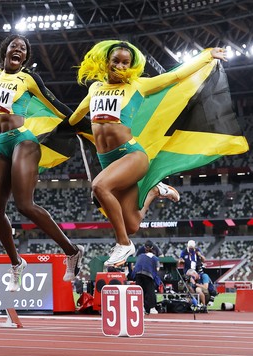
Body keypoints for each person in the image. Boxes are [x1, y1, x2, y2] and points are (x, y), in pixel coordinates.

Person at [69, 40, 227, 267]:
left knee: (99, 187)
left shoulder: (138, 86)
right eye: (116, 61)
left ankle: (123, 244)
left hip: (132, 156)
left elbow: (174, 77)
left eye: (126, 63)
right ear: (107, 62)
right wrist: (65, 125)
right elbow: (75, 117)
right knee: (132, 224)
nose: (121, 66)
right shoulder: (95, 89)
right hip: (109, 162)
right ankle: (154, 190)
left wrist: (207, 56)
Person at [0, 34, 84, 290]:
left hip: (24, 141)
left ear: (25, 56)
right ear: (5, 51)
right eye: (14, 46)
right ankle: (16, 263)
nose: (18, 50)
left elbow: (53, 104)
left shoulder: (29, 79)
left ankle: (72, 251)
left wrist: (80, 122)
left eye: (23, 48)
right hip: (1, 146)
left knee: (24, 205)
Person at [130, 242, 162, 314]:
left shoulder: (140, 256)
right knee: (150, 291)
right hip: (148, 274)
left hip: (138, 274)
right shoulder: (154, 258)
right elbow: (157, 269)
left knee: (140, 291)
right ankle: (152, 308)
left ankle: (141, 308)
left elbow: (134, 267)